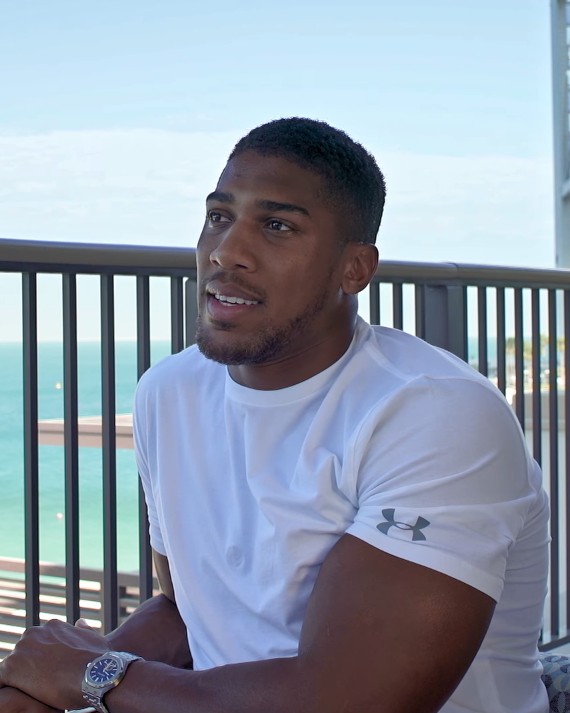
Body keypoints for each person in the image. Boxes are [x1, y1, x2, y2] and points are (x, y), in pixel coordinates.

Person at [0, 117, 549, 713]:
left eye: (277, 225)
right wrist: (57, 677)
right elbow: (192, 611)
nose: (226, 251)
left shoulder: (432, 413)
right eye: (219, 217)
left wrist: (94, 674)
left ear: (355, 269)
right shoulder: (168, 392)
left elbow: (349, 702)